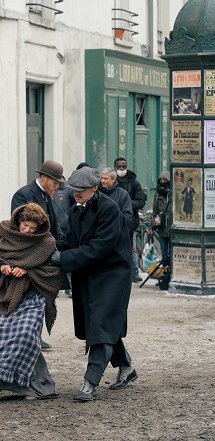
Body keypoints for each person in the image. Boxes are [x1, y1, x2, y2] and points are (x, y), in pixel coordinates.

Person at [0, 203, 63, 405]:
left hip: (33, 296)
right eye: (25, 225)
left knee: (26, 336)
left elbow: (53, 270)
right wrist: (0, 267)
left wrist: (28, 271)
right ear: (18, 221)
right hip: (4, 295)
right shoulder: (2, 232)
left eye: (33, 228)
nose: (28, 231)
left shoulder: (46, 242)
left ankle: (30, 386)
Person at [53, 166, 137, 402]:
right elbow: (70, 240)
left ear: (94, 188)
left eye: (80, 190)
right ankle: (127, 367)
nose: (75, 194)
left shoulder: (109, 209)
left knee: (100, 324)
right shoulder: (76, 208)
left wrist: (64, 259)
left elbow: (99, 247)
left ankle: (90, 382)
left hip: (112, 275)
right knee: (101, 324)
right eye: (73, 190)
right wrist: (50, 248)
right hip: (89, 274)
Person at [11, 159, 64, 349]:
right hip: (29, 256)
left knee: (42, 295)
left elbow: (53, 225)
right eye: (55, 182)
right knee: (27, 297)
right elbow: (18, 228)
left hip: (46, 254)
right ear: (43, 177)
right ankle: (27, 335)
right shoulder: (24, 194)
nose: (57, 186)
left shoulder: (47, 195)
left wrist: (59, 244)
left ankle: (36, 334)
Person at [114, 157, 147, 282]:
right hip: (113, 222)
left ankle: (134, 272)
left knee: (130, 248)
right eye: (119, 166)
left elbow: (141, 201)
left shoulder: (134, 183)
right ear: (115, 167)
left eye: (124, 166)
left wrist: (126, 203)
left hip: (130, 222)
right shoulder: (112, 181)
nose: (122, 169)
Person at [99, 167, 135, 233]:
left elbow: (127, 217)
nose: (102, 181)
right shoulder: (97, 193)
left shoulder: (123, 194)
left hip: (116, 234)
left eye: (106, 178)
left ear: (113, 180)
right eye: (101, 178)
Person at [151, 171, 172, 265]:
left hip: (172, 227)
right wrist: (151, 226)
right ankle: (166, 272)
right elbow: (154, 211)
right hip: (162, 228)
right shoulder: (157, 195)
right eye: (161, 180)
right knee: (164, 253)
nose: (163, 182)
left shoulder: (173, 193)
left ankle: (172, 272)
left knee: (171, 252)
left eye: (165, 180)